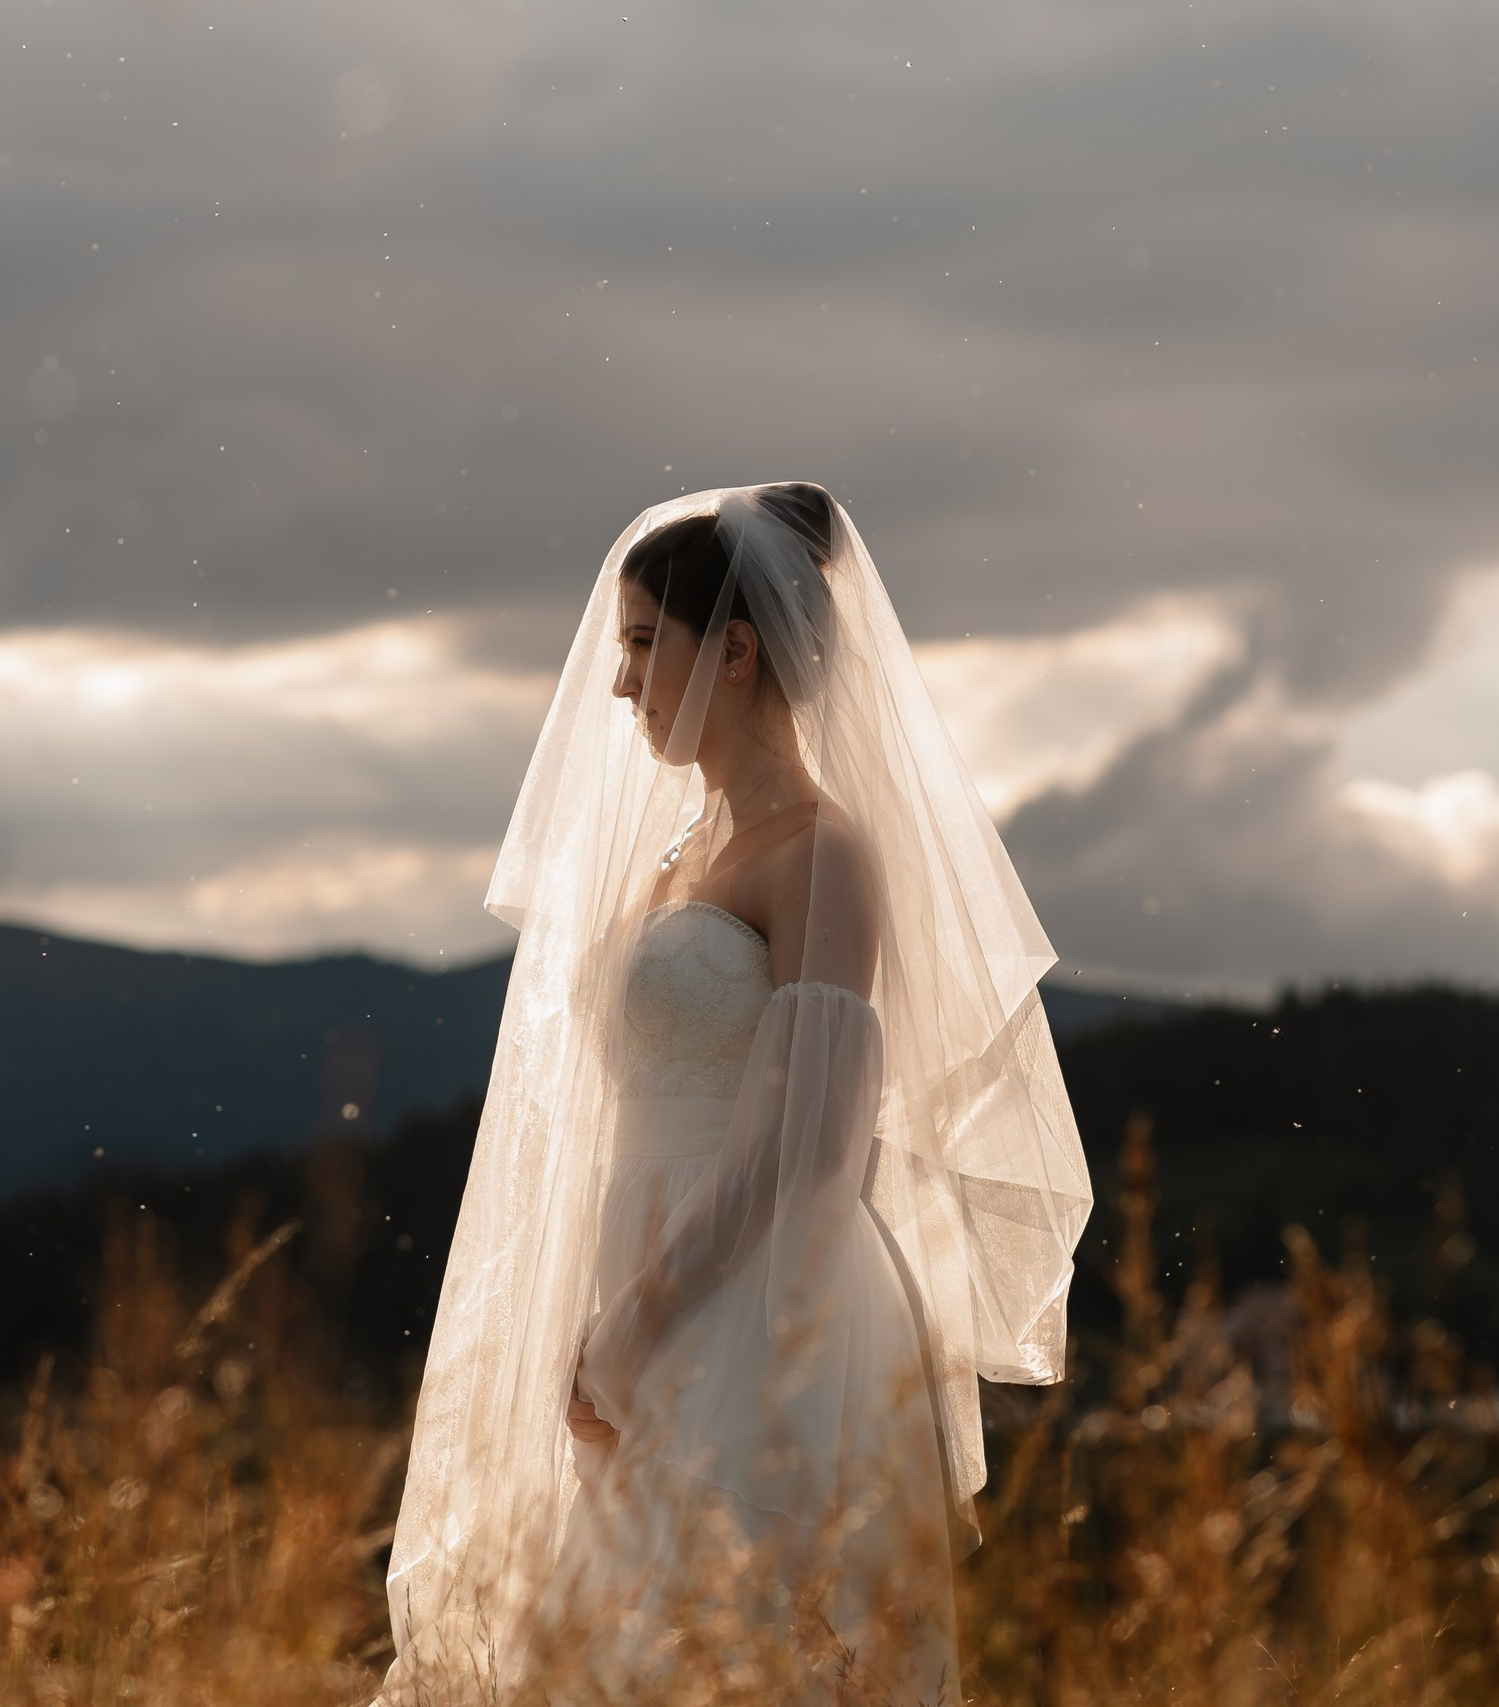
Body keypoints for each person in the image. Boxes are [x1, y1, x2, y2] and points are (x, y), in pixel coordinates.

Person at [378, 483, 1092, 1704]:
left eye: (642, 644)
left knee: (723, 1645)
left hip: (761, 1296)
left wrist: (641, 1322)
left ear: (736, 651)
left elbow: (805, 1140)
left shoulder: (821, 852)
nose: (619, 685)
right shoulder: (675, 856)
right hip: (645, 1269)